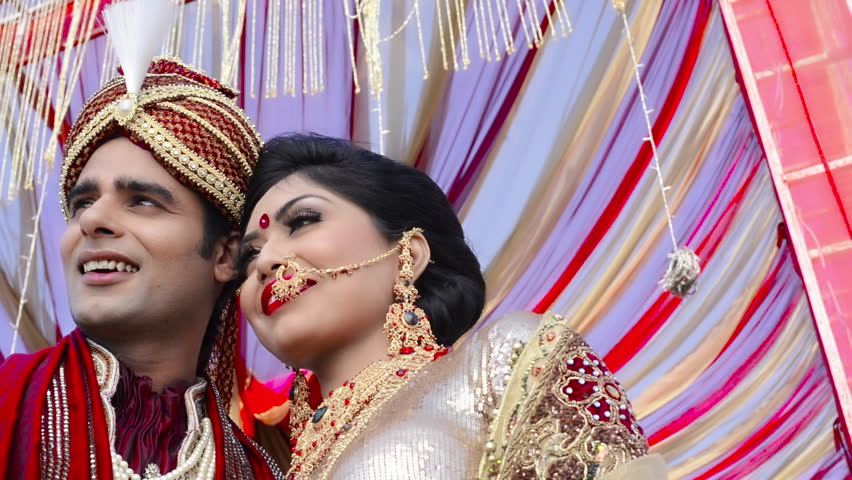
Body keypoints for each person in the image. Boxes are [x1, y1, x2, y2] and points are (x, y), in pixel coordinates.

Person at [237, 134, 668, 479]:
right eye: (248, 257)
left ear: (411, 251)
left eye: (303, 221)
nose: (267, 262)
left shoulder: (502, 364)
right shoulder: (272, 466)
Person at [0, 58, 283, 480]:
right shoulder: (9, 404)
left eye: (143, 201)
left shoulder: (256, 472)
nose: (92, 221)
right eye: (82, 203)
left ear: (226, 256)